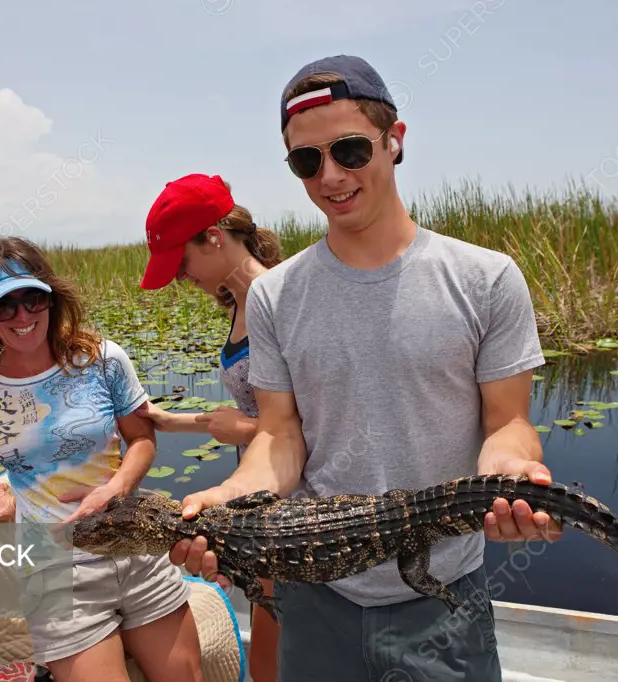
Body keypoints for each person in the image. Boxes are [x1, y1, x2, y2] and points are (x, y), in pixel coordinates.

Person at [169, 55, 562, 681]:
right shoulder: (275, 296)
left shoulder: (485, 279)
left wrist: (510, 467)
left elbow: (508, 421)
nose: (331, 176)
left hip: (443, 595)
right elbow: (279, 434)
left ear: (395, 140)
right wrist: (230, 496)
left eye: (350, 150)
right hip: (314, 591)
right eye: (307, 161)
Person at [0, 236, 203, 682]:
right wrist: (13, 492)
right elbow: (25, 458)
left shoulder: (101, 359)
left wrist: (115, 488)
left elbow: (142, 439)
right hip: (55, 568)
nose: (22, 315)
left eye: (32, 298)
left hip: (132, 542)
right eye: (3, 306)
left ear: (51, 296)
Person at [132, 173, 284, 682]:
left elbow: (308, 423)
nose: (181, 278)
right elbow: (248, 410)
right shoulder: (240, 300)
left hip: (287, 489)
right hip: (257, 485)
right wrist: (165, 420)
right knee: (268, 609)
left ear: (214, 237)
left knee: (274, 628)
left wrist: (243, 430)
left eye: (182, 264)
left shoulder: (275, 299)